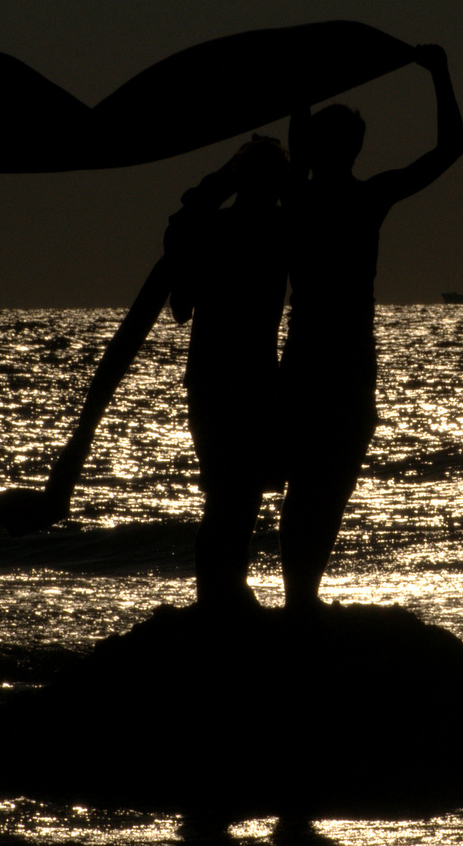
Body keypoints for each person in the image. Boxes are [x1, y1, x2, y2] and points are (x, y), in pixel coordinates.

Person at [279, 44, 463, 614]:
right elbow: (449, 149)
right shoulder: (365, 198)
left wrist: (302, 96)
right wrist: (440, 76)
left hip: (309, 356)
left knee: (305, 484)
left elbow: (297, 150)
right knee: (326, 485)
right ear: (356, 149)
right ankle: (301, 601)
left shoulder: (299, 197)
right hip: (346, 360)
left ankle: (299, 599)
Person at [164, 136, 290, 611]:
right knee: (237, 497)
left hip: (214, 377)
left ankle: (220, 595)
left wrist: (220, 180)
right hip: (252, 378)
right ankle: (223, 596)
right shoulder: (282, 229)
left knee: (225, 495)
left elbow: (182, 304)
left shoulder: (210, 229)